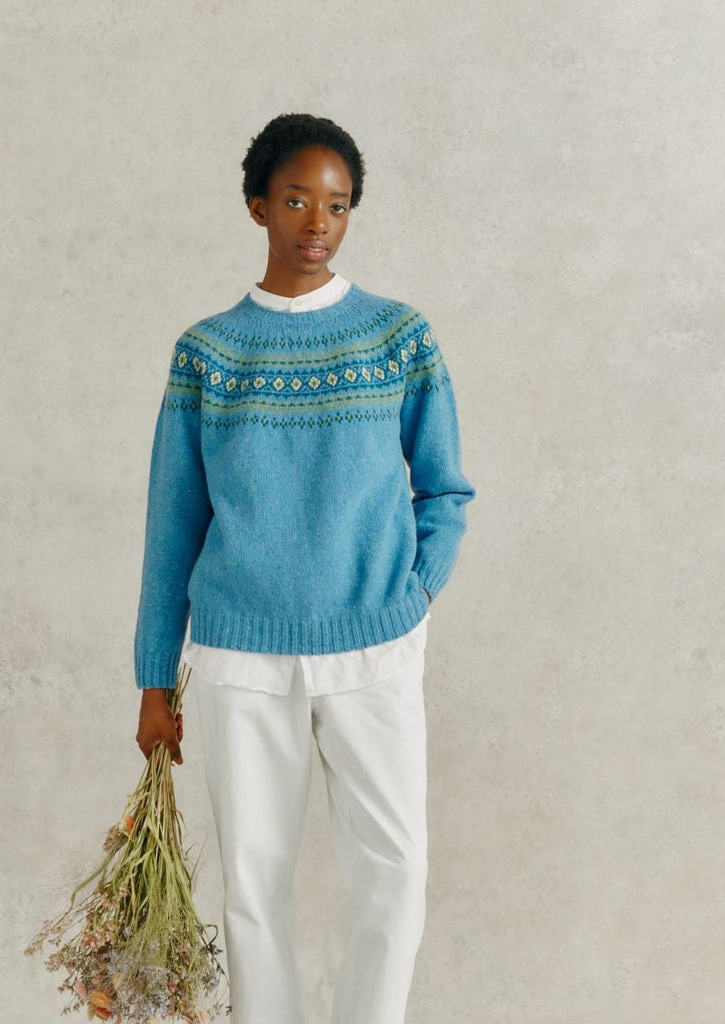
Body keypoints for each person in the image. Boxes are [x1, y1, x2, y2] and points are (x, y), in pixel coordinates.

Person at [133, 113, 475, 1024]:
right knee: (253, 889)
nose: (316, 221)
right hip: (242, 657)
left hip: (376, 646)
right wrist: (152, 680)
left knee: (394, 875)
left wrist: (413, 590)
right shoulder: (208, 352)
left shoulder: (398, 336)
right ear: (257, 207)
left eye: (337, 204)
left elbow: (445, 491)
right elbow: (172, 529)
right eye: (296, 199)